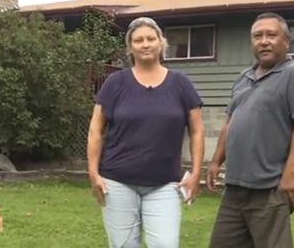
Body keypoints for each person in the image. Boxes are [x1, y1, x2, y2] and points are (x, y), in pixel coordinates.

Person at [86, 17, 205, 248]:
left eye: (151, 38)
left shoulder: (180, 83)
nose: (146, 44)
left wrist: (196, 173)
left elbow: (198, 130)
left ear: (161, 43)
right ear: (130, 47)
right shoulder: (115, 82)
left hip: (164, 184)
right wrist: (93, 173)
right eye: (138, 40)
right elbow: (95, 130)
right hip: (117, 182)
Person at [206, 12, 294, 248]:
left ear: (286, 41)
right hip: (235, 187)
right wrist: (216, 161)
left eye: (271, 35)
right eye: (257, 36)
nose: (263, 41)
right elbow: (231, 123)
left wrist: (290, 175)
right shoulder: (243, 78)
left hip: (270, 187)